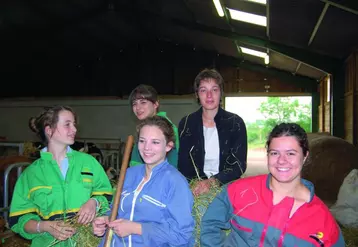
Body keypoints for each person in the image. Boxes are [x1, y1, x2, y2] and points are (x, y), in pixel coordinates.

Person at [200, 123, 346, 246]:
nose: (282, 161)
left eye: (290, 154)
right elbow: (210, 224)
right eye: (275, 153)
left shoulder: (323, 220)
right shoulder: (239, 190)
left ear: (305, 156)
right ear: (268, 155)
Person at [9, 106, 113, 247]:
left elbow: (108, 196)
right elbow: (19, 220)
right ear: (49, 130)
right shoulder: (31, 174)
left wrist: (94, 202)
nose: (74, 129)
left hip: (86, 242)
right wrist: (44, 226)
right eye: (67, 124)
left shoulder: (88, 163)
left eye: (74, 124)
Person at [93, 116, 195, 247]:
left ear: (168, 146)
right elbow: (114, 210)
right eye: (142, 141)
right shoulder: (128, 174)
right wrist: (105, 221)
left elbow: (182, 235)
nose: (147, 148)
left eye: (155, 142)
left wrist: (137, 228)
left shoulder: (175, 182)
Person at [178, 68, 247, 196]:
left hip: (226, 187)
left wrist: (212, 182)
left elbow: (238, 165)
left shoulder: (235, 123)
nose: (209, 95)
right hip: (195, 188)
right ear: (197, 94)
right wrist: (195, 186)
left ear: (221, 93)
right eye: (203, 90)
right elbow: (183, 164)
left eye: (214, 89)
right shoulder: (187, 123)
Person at [128, 84, 179, 168]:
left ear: (155, 104)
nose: (138, 107)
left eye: (143, 102)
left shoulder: (164, 127)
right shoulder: (145, 126)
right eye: (134, 104)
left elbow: (173, 161)